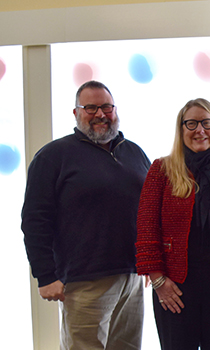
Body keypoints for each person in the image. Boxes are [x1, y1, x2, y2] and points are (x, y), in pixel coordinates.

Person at [21, 80, 150, 349]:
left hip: (133, 278)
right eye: (90, 108)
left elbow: (151, 210)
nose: (100, 114)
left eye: (106, 107)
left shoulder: (134, 152)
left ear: (115, 110)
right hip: (84, 281)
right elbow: (35, 219)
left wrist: (154, 262)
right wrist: (45, 275)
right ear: (76, 113)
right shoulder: (53, 156)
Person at [135, 98, 210, 350]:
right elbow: (147, 226)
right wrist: (158, 280)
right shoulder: (161, 169)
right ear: (181, 129)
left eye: (206, 122)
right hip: (175, 285)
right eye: (191, 123)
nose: (199, 130)